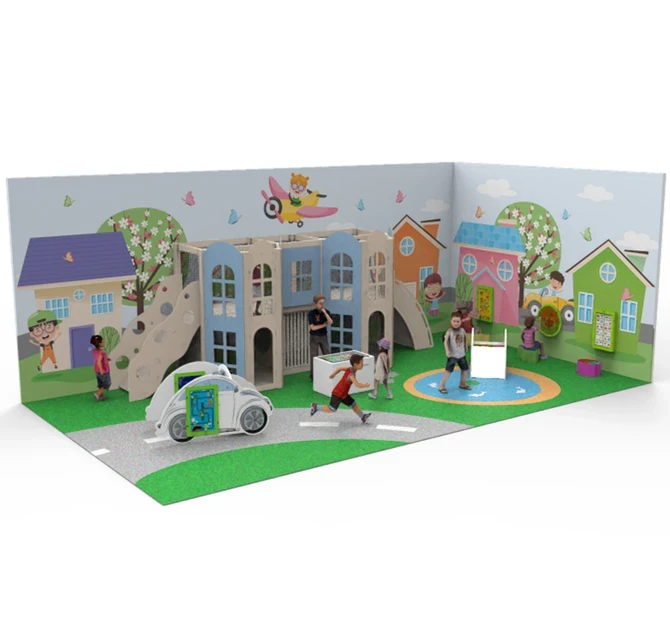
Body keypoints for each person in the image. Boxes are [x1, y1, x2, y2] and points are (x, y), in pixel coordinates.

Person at [310, 353, 371, 423]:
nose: (362, 365)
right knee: (332, 409)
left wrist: (333, 374)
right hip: (338, 393)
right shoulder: (351, 375)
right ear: (355, 364)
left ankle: (363, 417)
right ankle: (316, 407)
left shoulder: (349, 369)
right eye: (361, 363)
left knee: (353, 404)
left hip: (344, 394)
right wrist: (364, 385)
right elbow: (357, 385)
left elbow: (339, 368)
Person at [439, 312, 471, 395]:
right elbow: (445, 342)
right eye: (454, 321)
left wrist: (466, 346)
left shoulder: (462, 330)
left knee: (465, 369)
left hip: (461, 355)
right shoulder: (449, 332)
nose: (456, 323)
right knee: (448, 370)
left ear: (461, 322)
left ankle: (462, 383)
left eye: (458, 321)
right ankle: (442, 385)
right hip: (452, 356)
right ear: (451, 321)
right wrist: (447, 351)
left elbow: (465, 337)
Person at [308, 294, 332, 380]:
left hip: (323, 336)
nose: (322, 305)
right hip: (314, 336)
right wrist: (323, 325)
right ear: (316, 304)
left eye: (323, 303)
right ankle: (313, 375)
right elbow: (312, 327)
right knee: (314, 355)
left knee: (327, 353)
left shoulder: (326, 312)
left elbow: (330, 322)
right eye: (320, 303)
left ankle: (329, 372)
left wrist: (325, 313)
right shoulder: (311, 313)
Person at [90, 334, 112, 401]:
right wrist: (101, 370)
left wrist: (106, 359)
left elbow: (98, 359)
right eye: (102, 342)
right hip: (103, 370)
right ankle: (97, 394)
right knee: (106, 383)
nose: (103, 343)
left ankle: (101, 395)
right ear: (99, 343)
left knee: (100, 383)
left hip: (97, 370)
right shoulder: (101, 352)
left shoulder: (94, 351)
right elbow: (99, 362)